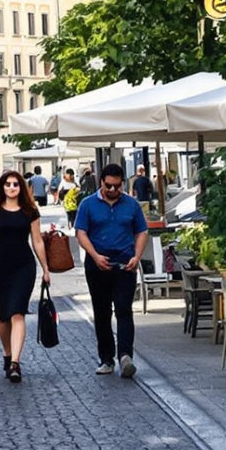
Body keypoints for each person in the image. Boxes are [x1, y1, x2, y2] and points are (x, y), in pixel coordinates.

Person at [75, 163, 149, 380]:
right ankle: (106, 359)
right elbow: (81, 233)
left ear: (122, 183)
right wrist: (95, 256)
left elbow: (142, 231)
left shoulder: (131, 205)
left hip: (125, 264)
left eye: (117, 186)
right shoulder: (88, 204)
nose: (112, 190)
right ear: (101, 182)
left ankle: (126, 356)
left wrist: (136, 256)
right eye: (108, 186)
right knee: (102, 312)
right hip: (97, 265)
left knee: (124, 310)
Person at [0, 170, 50, 383]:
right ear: (2, 187)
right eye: (7, 184)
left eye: (15, 184)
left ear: (21, 187)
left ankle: (16, 363)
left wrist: (45, 268)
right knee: (3, 316)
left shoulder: (30, 211)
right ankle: (7, 353)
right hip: (0, 266)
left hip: (24, 266)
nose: (11, 188)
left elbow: (37, 241)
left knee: (18, 312)